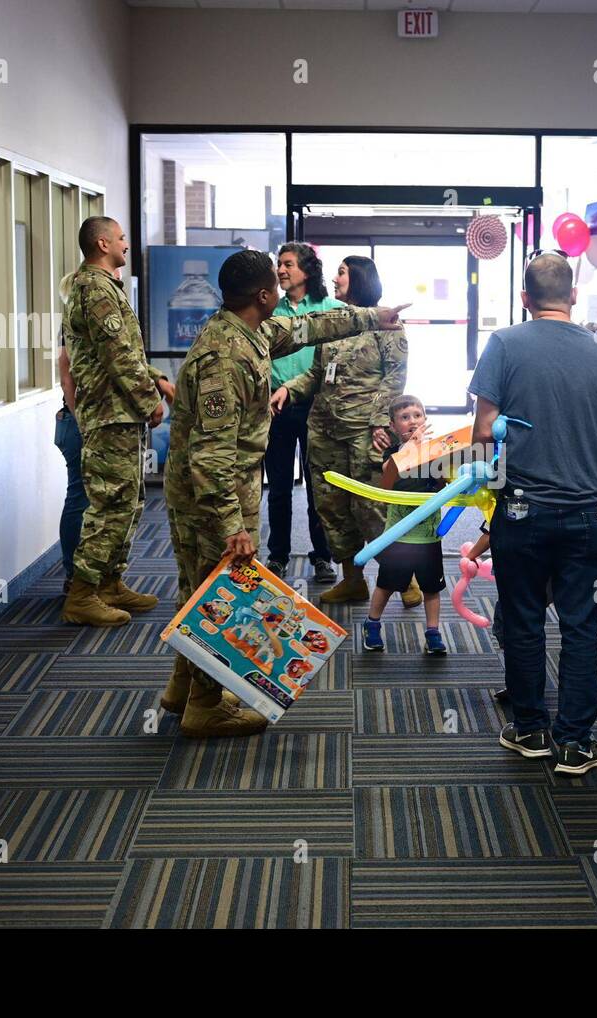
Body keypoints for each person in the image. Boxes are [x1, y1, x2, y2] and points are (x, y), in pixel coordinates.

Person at [161, 249, 407, 738]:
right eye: (275, 281)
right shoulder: (223, 358)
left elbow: (309, 329)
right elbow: (210, 458)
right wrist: (232, 528)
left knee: (198, 589)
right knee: (218, 593)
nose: (282, 288)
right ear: (264, 295)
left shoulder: (245, 330)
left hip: (218, 491)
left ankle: (182, 686)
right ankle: (205, 706)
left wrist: (373, 317)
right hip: (212, 499)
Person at [469, 252, 597, 776]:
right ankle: (576, 743)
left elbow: (482, 432)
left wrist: (490, 505)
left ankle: (531, 728)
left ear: (524, 299)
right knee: (582, 625)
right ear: (574, 296)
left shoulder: (505, 344)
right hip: (589, 512)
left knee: (523, 617)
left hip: (522, 510)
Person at [272, 255, 410, 606]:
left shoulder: (387, 323)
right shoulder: (333, 322)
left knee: (371, 508)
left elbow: (395, 378)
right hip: (324, 430)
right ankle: (352, 580)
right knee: (332, 508)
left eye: (342, 273)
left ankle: (404, 577)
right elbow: (317, 375)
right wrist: (291, 388)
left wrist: (383, 422)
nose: (335, 279)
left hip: (365, 432)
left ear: (360, 278)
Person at [60, 217, 170, 626]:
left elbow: (128, 353)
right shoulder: (94, 289)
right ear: (103, 243)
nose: (126, 243)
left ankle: (109, 583)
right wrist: (149, 401)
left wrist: (151, 385)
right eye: (122, 238)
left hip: (119, 415)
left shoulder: (105, 287)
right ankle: (82, 594)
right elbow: (119, 357)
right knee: (109, 505)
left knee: (127, 502)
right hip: (110, 415)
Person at [264, 243, 340, 581]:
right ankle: (277, 555)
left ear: (306, 270)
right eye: (279, 264)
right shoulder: (268, 312)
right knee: (278, 488)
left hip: (317, 409)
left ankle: (322, 556)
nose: (281, 270)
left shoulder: (330, 309)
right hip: (277, 409)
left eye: (288, 264)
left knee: (317, 488)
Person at [360, 395, 447, 656]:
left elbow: (442, 484)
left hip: (429, 534)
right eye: (405, 417)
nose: (412, 421)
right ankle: (372, 624)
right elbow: (388, 475)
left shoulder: (434, 449)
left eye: (417, 416)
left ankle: (433, 632)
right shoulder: (394, 451)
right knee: (386, 584)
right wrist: (410, 448)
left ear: (425, 419)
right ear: (393, 425)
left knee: (432, 588)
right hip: (400, 535)